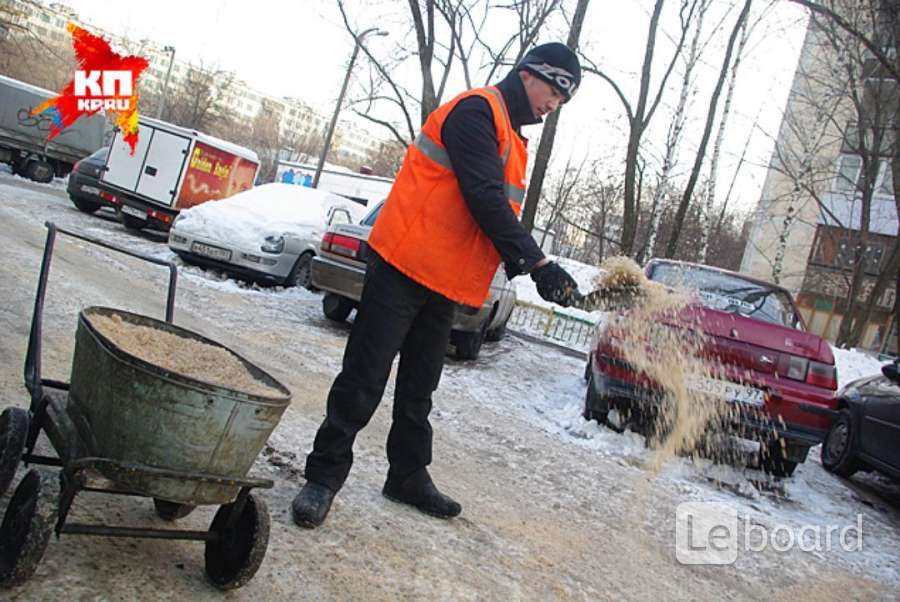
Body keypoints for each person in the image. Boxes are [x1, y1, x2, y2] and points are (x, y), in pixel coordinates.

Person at [292, 43, 583, 528]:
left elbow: (491, 212)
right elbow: (483, 199)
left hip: (441, 278)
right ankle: (323, 477)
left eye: (562, 99)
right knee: (364, 377)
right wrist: (537, 262)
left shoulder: (512, 135)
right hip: (403, 263)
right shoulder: (477, 111)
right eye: (553, 90)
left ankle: (406, 475)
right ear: (529, 74)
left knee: (419, 387)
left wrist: (530, 265)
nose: (553, 104)